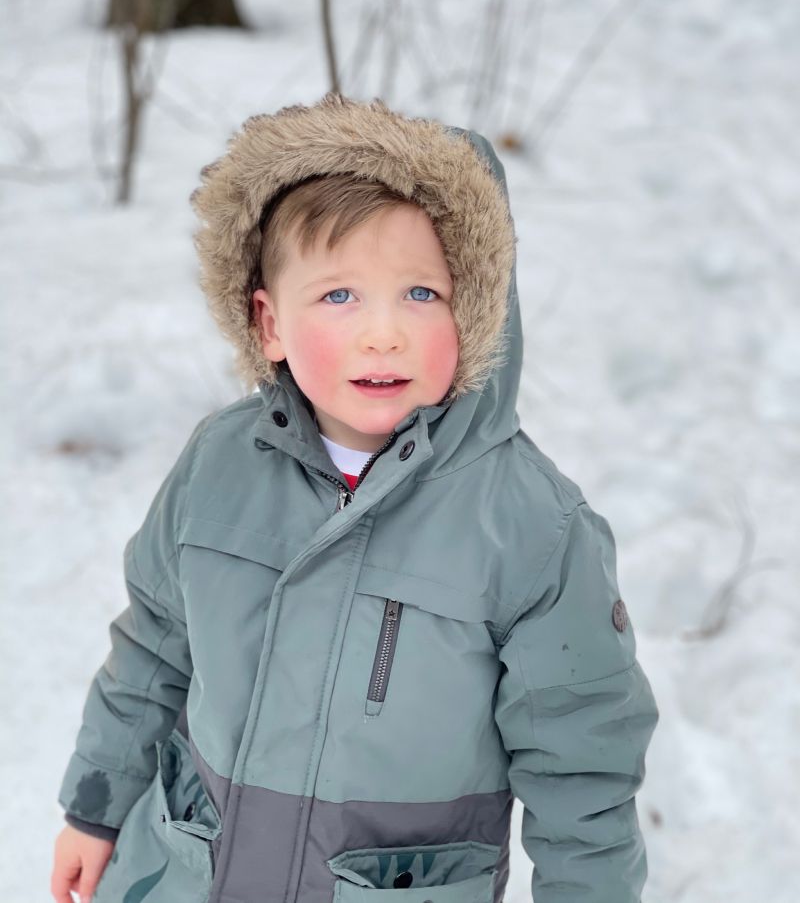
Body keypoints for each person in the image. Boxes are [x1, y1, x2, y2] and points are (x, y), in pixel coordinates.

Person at [51, 92, 659, 903]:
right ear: (268, 323)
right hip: (185, 876)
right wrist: (95, 807)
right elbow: (155, 646)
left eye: (421, 294)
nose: (384, 333)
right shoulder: (221, 464)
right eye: (340, 295)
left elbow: (582, 774)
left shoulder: (531, 530)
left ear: (476, 312)